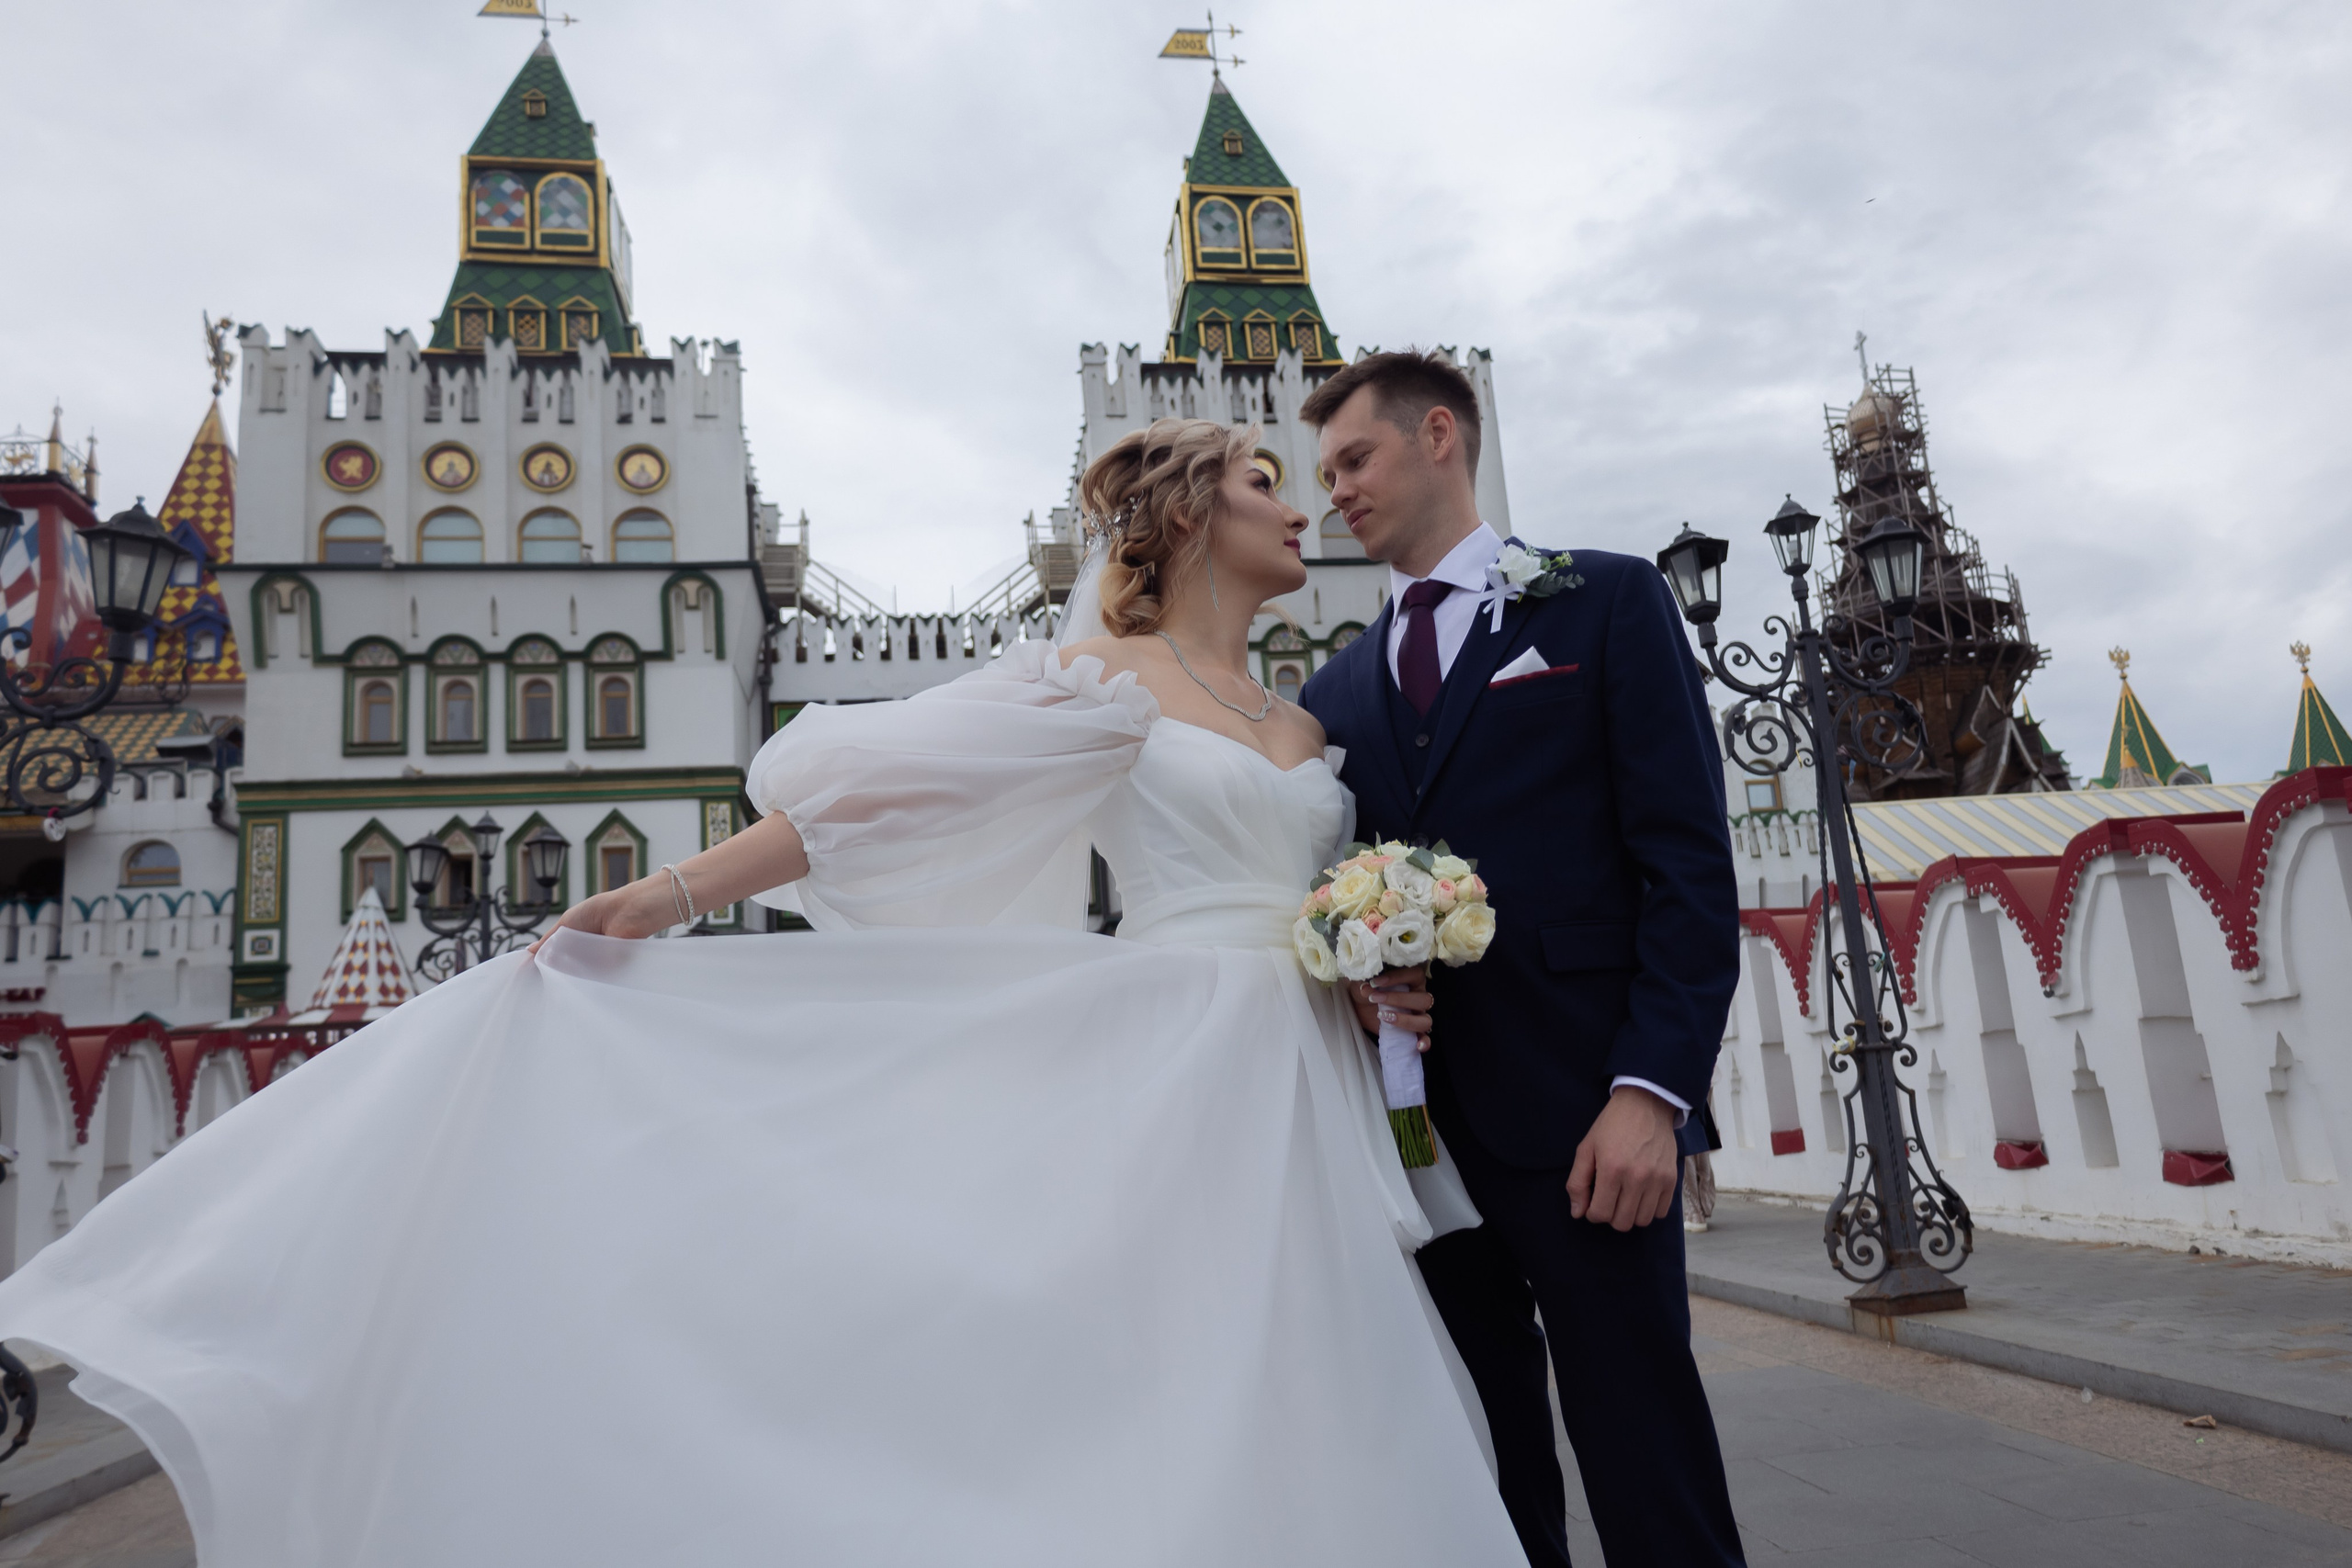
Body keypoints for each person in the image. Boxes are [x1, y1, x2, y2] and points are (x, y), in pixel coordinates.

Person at [0, 418, 1525, 1567]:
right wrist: (667, 897)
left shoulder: (1307, 720)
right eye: (1269, 484)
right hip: (1181, 1068)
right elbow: (890, 799)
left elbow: (1321, 899)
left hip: (1308, 1076)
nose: (1302, 506)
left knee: (1316, 1380)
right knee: (1169, 1378)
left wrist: (1374, 970)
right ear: (1194, 515)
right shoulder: (1104, 682)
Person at [1298, 351, 1747, 1568]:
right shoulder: (1335, 693)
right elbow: (1336, 893)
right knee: (1484, 1467)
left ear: (1439, 435)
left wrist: (1652, 1096)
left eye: (1355, 458)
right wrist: (1358, 972)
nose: (1335, 489)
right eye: (1324, 470)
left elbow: (1689, 871)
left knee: (1644, 1448)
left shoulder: (1601, 603)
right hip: (1421, 1141)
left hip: (1592, 1120)